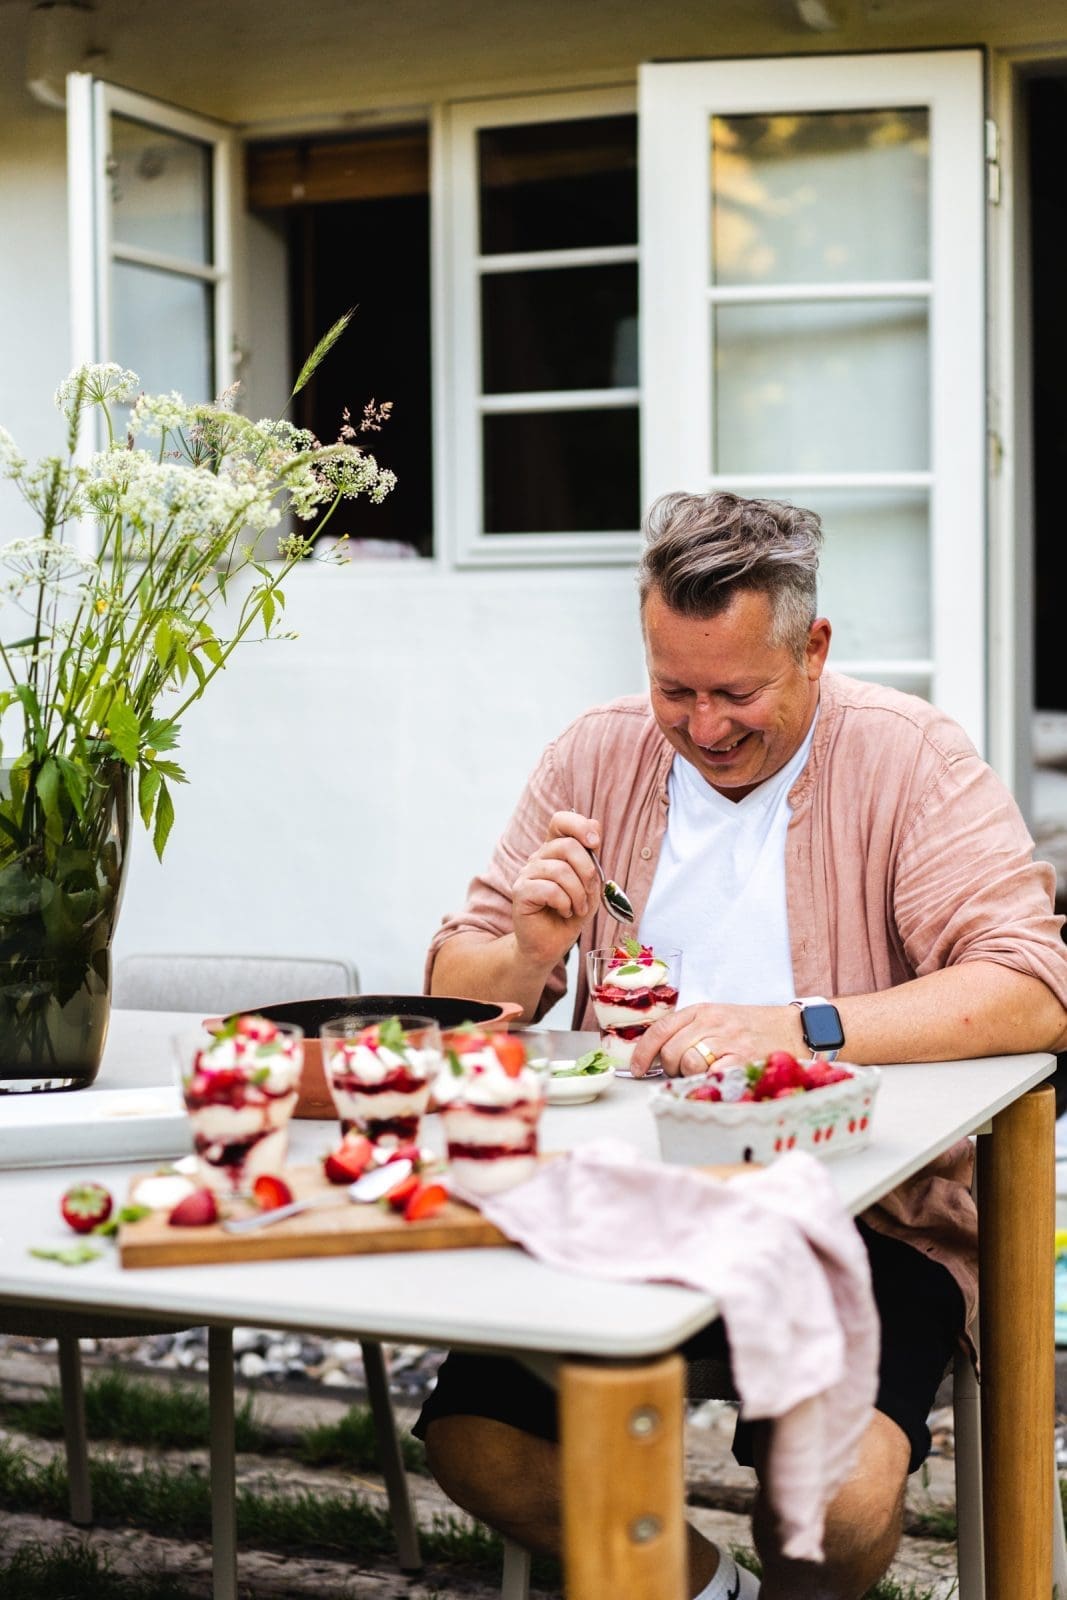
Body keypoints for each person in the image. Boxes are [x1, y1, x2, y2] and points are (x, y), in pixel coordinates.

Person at [416, 490, 1067, 1600]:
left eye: (735, 692)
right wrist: (526, 949)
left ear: (811, 649)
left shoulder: (908, 757)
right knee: (475, 1442)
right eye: (673, 690)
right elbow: (452, 984)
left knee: (832, 1506)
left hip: (860, 1211)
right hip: (612, 1202)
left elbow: (1031, 987)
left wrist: (792, 1025)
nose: (704, 726)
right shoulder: (593, 755)